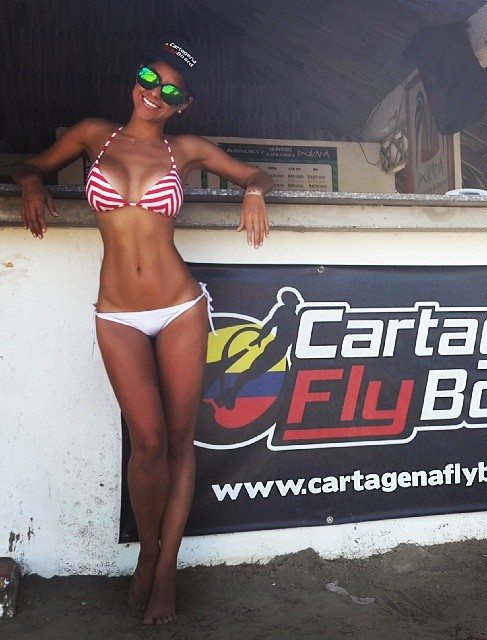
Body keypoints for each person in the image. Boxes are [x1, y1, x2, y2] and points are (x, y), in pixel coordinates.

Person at [12, 37, 274, 625]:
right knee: (148, 441)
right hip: (118, 314)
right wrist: (31, 183)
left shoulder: (186, 149)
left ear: (184, 105)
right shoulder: (93, 136)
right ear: (135, 81)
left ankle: (166, 568)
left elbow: (254, 172)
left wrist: (254, 191)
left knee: (180, 441)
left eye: (171, 91)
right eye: (148, 80)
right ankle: (146, 552)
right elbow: (33, 165)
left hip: (179, 307)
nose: (154, 94)